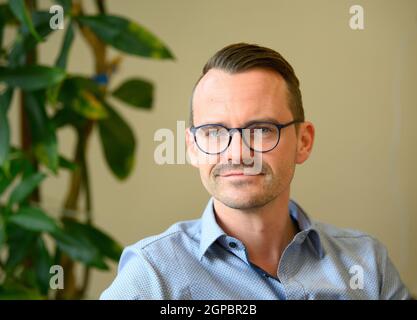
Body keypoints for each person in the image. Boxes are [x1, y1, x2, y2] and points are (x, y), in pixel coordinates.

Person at [100, 43, 411, 300]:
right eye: (214, 132)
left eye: (261, 129)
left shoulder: (368, 265)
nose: (237, 153)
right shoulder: (154, 276)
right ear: (193, 147)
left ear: (303, 141)